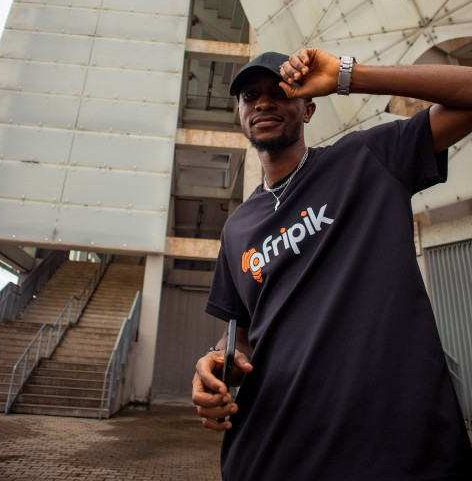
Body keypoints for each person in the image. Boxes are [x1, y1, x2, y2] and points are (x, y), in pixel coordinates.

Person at [192, 47, 472, 481]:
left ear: (308, 107)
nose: (263, 102)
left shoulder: (368, 159)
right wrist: (214, 366)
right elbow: (242, 339)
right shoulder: (236, 230)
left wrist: (347, 75)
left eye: (280, 91)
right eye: (250, 95)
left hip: (398, 448)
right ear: (240, 113)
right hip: (271, 454)